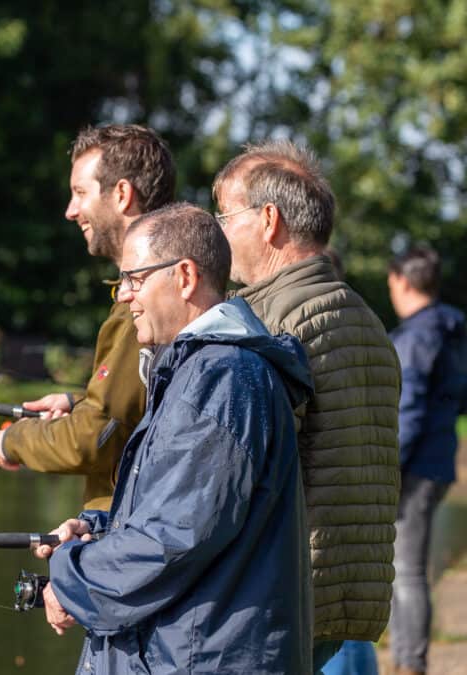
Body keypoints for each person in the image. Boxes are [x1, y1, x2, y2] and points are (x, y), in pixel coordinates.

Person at [35, 203, 314, 674]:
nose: (123, 295)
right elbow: (177, 512)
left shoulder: (221, 377)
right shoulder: (194, 371)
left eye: (135, 279)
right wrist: (96, 532)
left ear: (184, 276)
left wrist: (71, 575)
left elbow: (175, 538)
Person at [212, 140, 401, 672]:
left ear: (268, 220)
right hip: (349, 593)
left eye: (225, 216)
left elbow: (236, 473)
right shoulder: (368, 320)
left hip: (277, 592)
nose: (218, 233)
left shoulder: (270, 323)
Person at [0, 124, 175, 510]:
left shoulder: (145, 305)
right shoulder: (169, 288)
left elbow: (96, 438)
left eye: (80, 193)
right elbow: (145, 411)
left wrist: (15, 440)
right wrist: (80, 403)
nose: (70, 211)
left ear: (122, 194)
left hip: (130, 542)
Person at [387, 246, 467, 675]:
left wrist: (389, 466)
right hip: (437, 460)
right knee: (408, 568)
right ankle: (404, 657)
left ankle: (409, 663)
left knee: (408, 571)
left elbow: (409, 410)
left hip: (415, 466)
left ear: (402, 281)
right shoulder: (450, 328)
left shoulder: (418, 336)